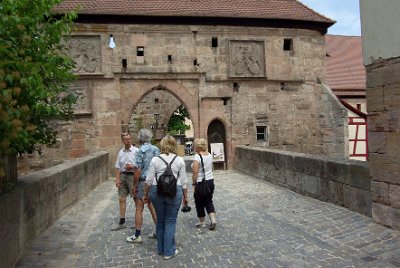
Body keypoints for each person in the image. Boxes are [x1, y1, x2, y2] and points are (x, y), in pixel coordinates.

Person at [143, 134, 188, 260]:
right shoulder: (179, 160)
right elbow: (184, 182)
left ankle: (161, 248)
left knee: (160, 220)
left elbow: (149, 180)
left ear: (162, 145)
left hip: (156, 191)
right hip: (175, 191)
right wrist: (186, 197)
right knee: (170, 221)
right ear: (174, 145)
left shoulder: (155, 160)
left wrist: (146, 195)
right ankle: (169, 251)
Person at [126, 129, 159, 243]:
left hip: (143, 182)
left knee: (139, 209)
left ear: (140, 138)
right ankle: (158, 231)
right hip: (154, 182)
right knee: (152, 206)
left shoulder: (140, 151)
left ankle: (137, 235)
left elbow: (138, 170)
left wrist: (134, 185)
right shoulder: (156, 149)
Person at [111, 132, 139, 231]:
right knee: (121, 199)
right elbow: (118, 166)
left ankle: (137, 221)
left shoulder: (136, 151)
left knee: (136, 199)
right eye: (126, 139)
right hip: (123, 176)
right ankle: (122, 222)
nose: (128, 141)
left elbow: (140, 166)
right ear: (122, 140)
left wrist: (132, 166)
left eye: (129, 139)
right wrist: (117, 179)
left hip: (133, 176)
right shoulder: (121, 152)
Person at [191, 138, 217, 230]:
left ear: (198, 147)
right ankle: (213, 219)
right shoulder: (209, 155)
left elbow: (195, 172)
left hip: (201, 182)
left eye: (194, 145)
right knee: (209, 200)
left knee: (199, 202)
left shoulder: (197, 157)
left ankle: (202, 222)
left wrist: (194, 184)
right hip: (210, 181)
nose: (193, 147)